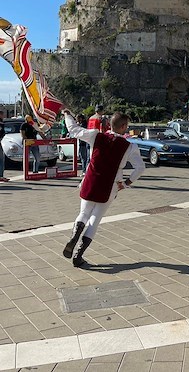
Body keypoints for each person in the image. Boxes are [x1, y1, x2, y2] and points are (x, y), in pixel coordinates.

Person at [62, 110, 145, 267]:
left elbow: (73, 130)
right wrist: (127, 183)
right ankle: (78, 256)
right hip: (110, 186)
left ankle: (74, 236)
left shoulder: (95, 135)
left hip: (90, 181)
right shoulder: (130, 146)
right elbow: (140, 168)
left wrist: (67, 115)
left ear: (109, 124)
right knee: (95, 220)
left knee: (83, 213)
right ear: (123, 126)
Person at [0, 110, 9, 182]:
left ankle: (1, 175)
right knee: (1, 159)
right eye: (2, 114)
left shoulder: (2, 122)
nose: (3, 116)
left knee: (2, 159)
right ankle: (0, 176)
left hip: (1, 141)